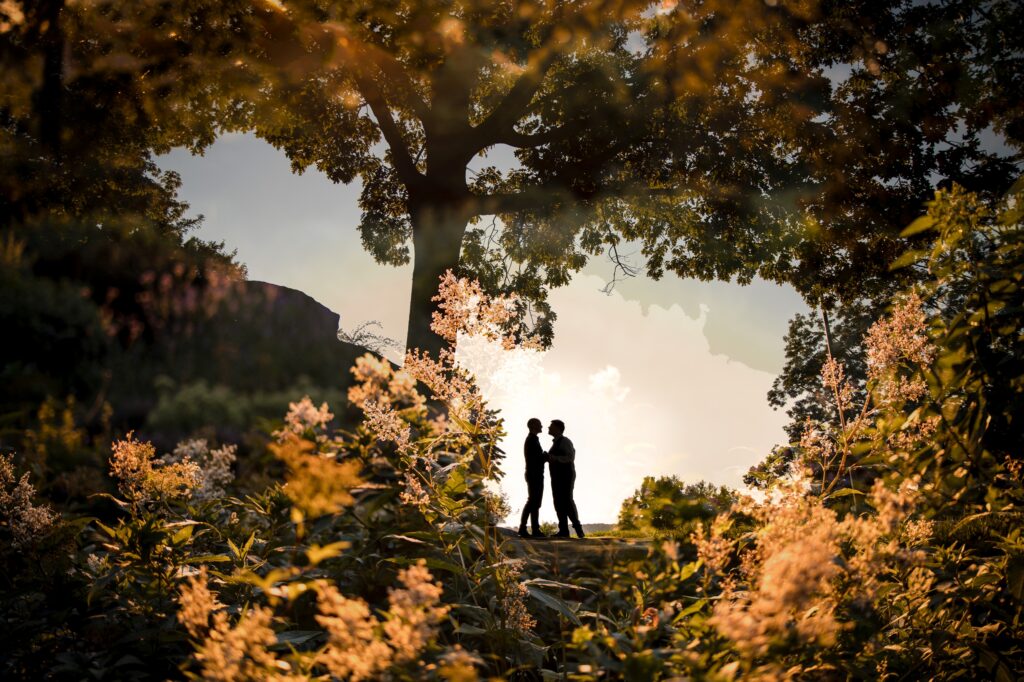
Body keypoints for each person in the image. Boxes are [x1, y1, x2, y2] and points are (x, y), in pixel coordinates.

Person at [547, 419, 584, 538]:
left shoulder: (565, 441)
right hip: (556, 476)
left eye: (551, 426)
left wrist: (553, 458)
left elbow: (570, 457)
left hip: (565, 475)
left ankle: (578, 529)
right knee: (558, 502)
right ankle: (563, 530)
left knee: (567, 501)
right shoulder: (556, 442)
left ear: (558, 428)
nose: (548, 428)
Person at [518, 418, 547, 538]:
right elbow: (535, 458)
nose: (542, 426)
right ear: (534, 426)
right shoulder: (532, 439)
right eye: (539, 424)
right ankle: (524, 528)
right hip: (534, 474)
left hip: (534, 474)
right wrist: (545, 456)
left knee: (535, 502)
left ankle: (534, 529)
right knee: (532, 502)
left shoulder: (532, 439)